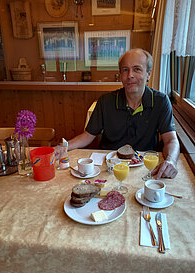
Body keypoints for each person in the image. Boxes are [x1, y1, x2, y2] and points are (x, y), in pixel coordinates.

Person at [68, 48, 180, 179]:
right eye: (125, 70)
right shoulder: (105, 101)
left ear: (148, 74)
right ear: (120, 75)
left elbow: (171, 140)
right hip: (109, 169)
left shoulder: (161, 101)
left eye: (137, 69)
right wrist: (64, 146)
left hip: (145, 170)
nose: (130, 75)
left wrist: (171, 160)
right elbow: (88, 135)